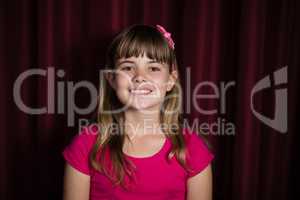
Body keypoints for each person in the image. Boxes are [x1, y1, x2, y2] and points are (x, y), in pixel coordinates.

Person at [62, 24, 214, 200]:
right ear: (111, 78)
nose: (140, 76)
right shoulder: (86, 145)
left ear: (171, 80)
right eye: (128, 67)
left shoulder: (193, 149)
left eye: (153, 68)